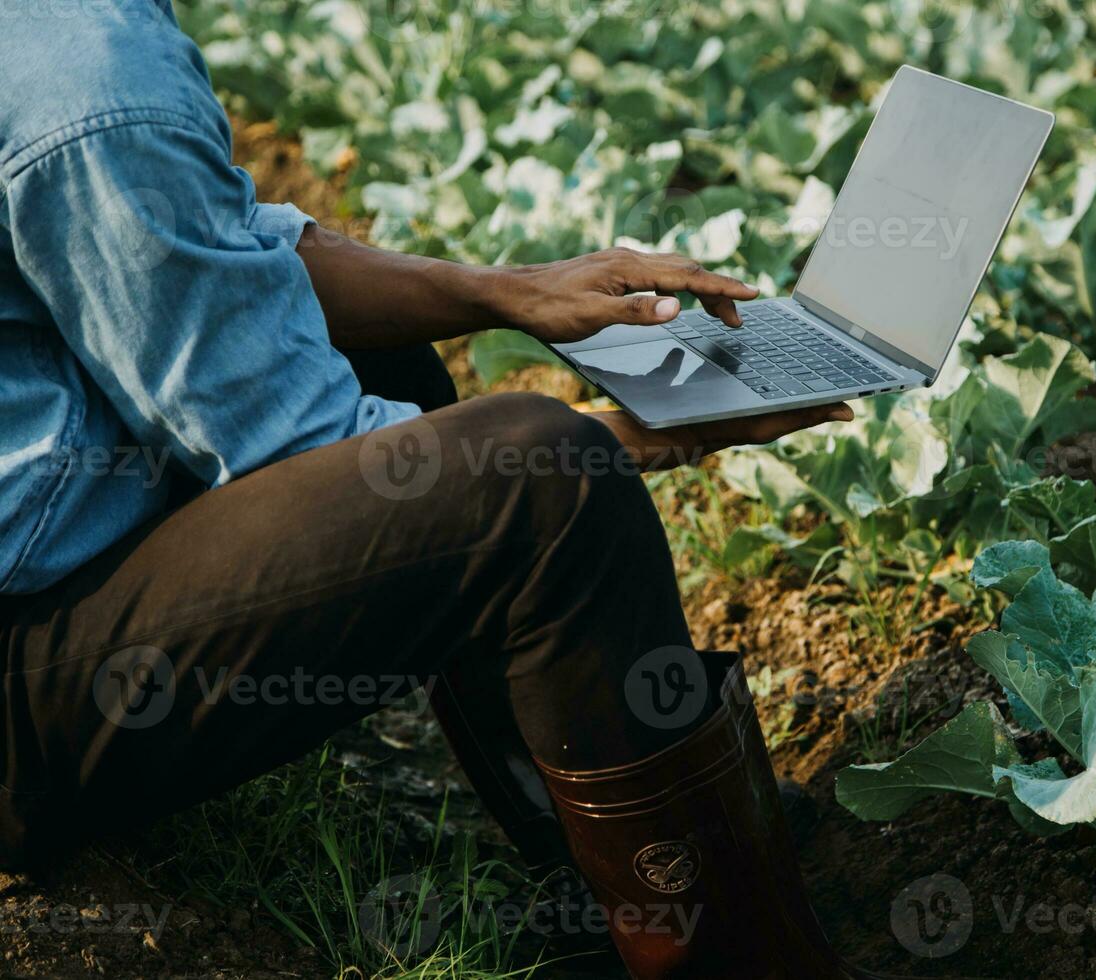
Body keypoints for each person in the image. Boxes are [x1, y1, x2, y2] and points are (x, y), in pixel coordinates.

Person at [0, 2, 877, 977]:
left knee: (401, 370)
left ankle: (604, 867)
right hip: (19, 680)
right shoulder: (84, 73)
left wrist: (511, 290)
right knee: (542, 491)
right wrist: (649, 430)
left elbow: (233, 247)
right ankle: (735, 954)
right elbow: (295, 444)